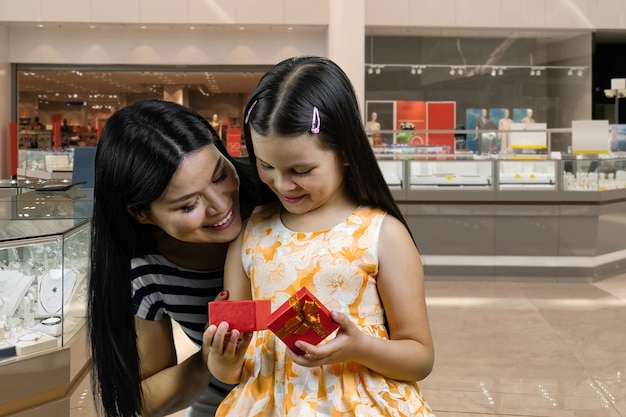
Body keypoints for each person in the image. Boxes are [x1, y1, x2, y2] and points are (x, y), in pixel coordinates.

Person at [207, 56, 435, 416]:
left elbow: (419, 357)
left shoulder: (382, 234)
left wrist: (359, 347)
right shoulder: (251, 232)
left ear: (344, 152)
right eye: (266, 166)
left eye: (300, 170)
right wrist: (222, 358)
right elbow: (231, 371)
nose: (281, 184)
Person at [88, 99, 270, 417]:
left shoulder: (277, 195)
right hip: (228, 397)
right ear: (140, 213)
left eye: (218, 176)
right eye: (188, 205)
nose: (221, 206)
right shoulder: (144, 270)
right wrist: (211, 360)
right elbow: (145, 400)